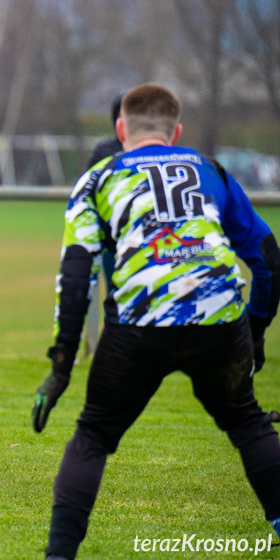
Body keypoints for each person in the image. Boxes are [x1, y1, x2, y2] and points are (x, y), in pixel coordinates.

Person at [31, 84, 280, 559]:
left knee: (94, 436)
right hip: (218, 317)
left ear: (120, 129)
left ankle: (59, 555)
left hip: (140, 323)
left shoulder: (98, 178)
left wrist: (62, 363)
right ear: (177, 132)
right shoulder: (211, 170)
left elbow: (77, 272)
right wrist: (255, 331)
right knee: (249, 424)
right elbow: (269, 261)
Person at [81, 95, 123, 355]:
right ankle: (110, 351)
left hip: (150, 240)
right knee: (114, 295)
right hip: (111, 241)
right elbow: (86, 190)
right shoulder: (103, 152)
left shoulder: (149, 152)